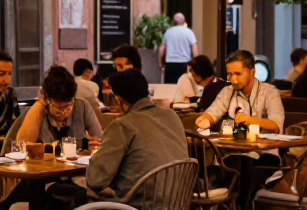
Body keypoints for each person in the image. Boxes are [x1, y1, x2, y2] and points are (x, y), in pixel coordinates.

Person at [85, 70, 187, 199]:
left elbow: (96, 179)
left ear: (119, 99)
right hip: (178, 208)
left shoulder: (122, 125)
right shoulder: (172, 116)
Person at [196, 50, 285, 134]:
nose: (233, 80)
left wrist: (250, 120)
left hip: (264, 149)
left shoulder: (270, 92)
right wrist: (205, 120)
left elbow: (276, 125)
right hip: (233, 148)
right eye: (230, 74)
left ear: (252, 72)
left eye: (238, 74)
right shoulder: (227, 91)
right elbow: (212, 113)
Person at [12, 65, 102, 148]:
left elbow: (100, 140)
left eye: (68, 106)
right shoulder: (37, 111)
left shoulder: (82, 106)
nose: (63, 112)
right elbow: (22, 145)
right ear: (46, 99)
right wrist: (40, 104)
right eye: (58, 108)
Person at [158, 13, 198, 84]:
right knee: (184, 86)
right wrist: (196, 63)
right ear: (184, 21)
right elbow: (194, 48)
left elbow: (162, 48)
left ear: (173, 21)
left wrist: (160, 63)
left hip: (170, 63)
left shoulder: (168, 32)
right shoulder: (189, 32)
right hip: (184, 64)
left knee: (170, 87)